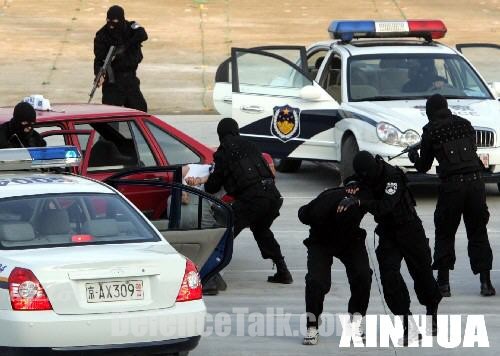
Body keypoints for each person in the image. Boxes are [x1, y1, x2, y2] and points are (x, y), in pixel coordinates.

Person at [338, 151, 442, 345]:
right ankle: (407, 324)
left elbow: (386, 205)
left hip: (409, 228)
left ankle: (432, 314)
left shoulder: (392, 176)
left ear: (373, 168)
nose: (365, 178)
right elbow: (354, 180)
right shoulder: (366, 173)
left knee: (422, 274)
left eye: (366, 175)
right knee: (389, 277)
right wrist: (351, 184)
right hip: (388, 233)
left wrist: (360, 201)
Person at [186, 118, 293, 284]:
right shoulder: (251, 146)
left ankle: (210, 277)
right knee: (261, 230)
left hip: (252, 199)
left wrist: (202, 180)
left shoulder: (224, 152)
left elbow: (213, 186)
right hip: (273, 196)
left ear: (220, 134)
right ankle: (283, 271)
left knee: (225, 234)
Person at [408, 94, 495, 297]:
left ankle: (443, 284)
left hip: (452, 187)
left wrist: (414, 157)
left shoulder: (430, 131)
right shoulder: (465, 124)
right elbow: (471, 152)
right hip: (475, 184)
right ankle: (486, 284)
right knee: (478, 232)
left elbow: (424, 166)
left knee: (445, 233)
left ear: (430, 112)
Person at [299, 187, 372, 346]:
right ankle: (312, 325)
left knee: (363, 275)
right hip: (321, 240)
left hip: (351, 240)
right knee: (316, 281)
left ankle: (355, 322)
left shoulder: (358, 200)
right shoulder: (320, 207)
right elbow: (302, 214)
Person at [93, 5, 148, 112]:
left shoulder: (131, 26)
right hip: (113, 83)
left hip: (130, 80)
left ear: (122, 19)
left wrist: (125, 46)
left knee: (140, 111)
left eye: (115, 21)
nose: (111, 25)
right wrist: (98, 74)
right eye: (108, 21)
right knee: (111, 116)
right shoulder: (102, 35)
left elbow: (143, 34)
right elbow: (99, 59)